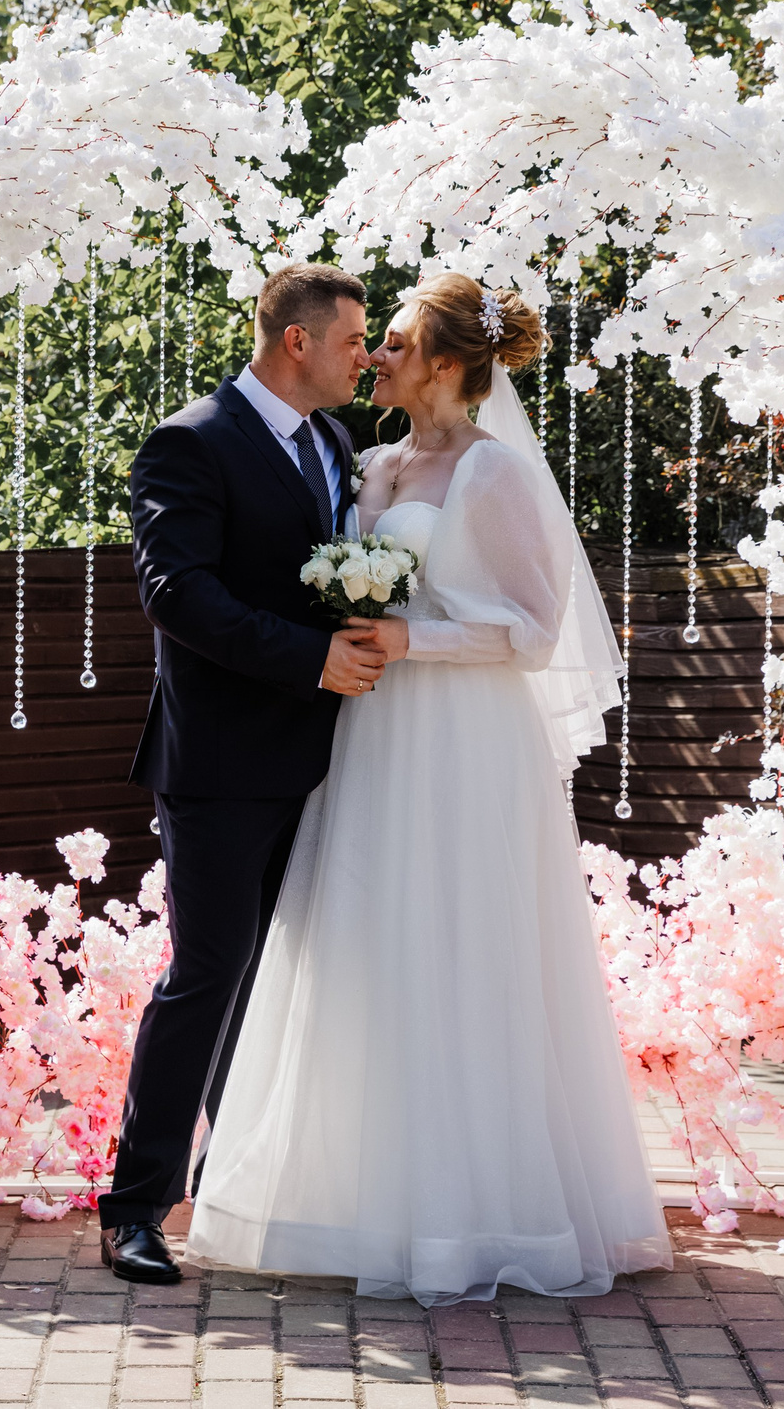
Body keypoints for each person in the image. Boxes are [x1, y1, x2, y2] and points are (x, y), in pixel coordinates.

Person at [183, 270, 676, 1305]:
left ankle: (481, 1208)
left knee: (466, 943)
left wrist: (415, 638)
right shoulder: (368, 465)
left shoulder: (493, 473)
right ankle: (370, 1196)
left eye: (395, 342)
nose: (375, 357)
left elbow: (536, 630)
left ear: (445, 364)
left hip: (461, 734)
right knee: (372, 944)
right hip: (371, 730)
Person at [99, 261, 390, 1285]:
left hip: (322, 757)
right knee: (207, 972)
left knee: (276, 982)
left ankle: (234, 1184)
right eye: (354, 339)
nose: (370, 356)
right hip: (219, 761)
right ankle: (134, 1205)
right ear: (297, 340)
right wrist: (312, 656)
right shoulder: (191, 441)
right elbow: (177, 594)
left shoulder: (335, 442)